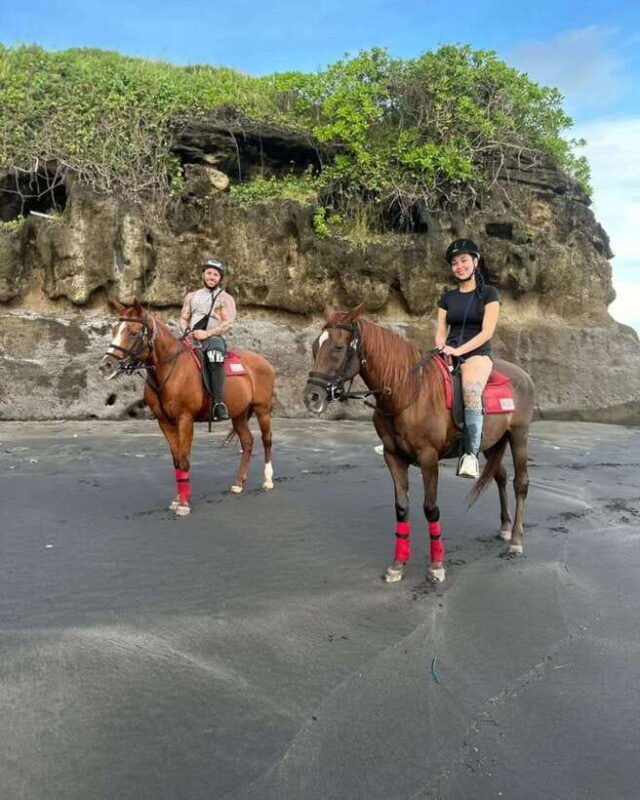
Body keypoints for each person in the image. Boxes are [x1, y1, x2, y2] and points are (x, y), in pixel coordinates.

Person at [436, 239, 500, 479]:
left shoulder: (489, 294)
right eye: (454, 263)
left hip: (477, 353)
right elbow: (440, 330)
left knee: (471, 390)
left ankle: (470, 455)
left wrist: (459, 351)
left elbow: (487, 332)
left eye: (463, 260)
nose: (459, 266)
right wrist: (442, 347)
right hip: (449, 351)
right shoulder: (447, 297)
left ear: (475, 261)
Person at [180, 258, 237, 421]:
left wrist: (207, 334)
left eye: (215, 275)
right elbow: (184, 318)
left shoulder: (225, 298)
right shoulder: (191, 296)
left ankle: (218, 403)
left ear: (220, 278)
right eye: (209, 273)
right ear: (203, 275)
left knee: (215, 356)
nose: (211, 277)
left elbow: (228, 322)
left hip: (214, 338)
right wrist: (187, 332)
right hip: (191, 338)